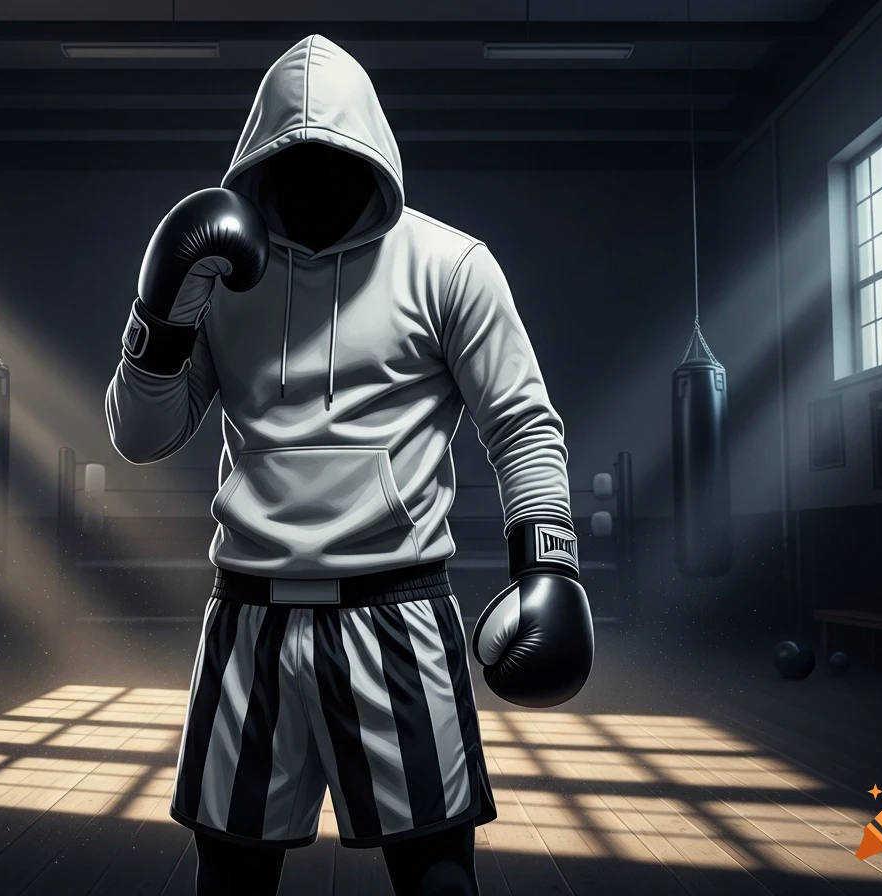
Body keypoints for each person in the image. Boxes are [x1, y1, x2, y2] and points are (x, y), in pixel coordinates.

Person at [106, 34, 594, 896]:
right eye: (291, 163)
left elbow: (521, 424)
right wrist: (159, 321)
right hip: (249, 617)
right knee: (229, 878)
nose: (313, 179)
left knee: (437, 875)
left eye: (333, 159)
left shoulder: (450, 264)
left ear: (371, 151)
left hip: (397, 610)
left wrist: (549, 565)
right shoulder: (221, 274)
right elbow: (144, 438)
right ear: (256, 163)